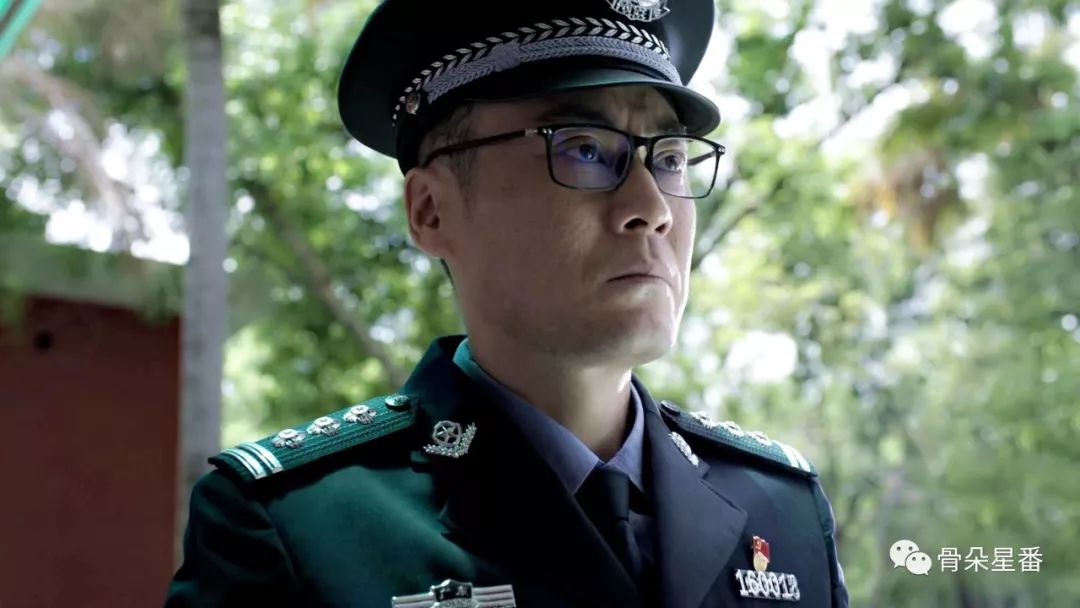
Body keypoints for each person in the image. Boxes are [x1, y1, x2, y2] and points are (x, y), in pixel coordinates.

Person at [165, 0, 849, 606]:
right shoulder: (298, 527)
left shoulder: (783, 510)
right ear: (431, 211)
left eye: (668, 158)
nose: (651, 207)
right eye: (584, 149)